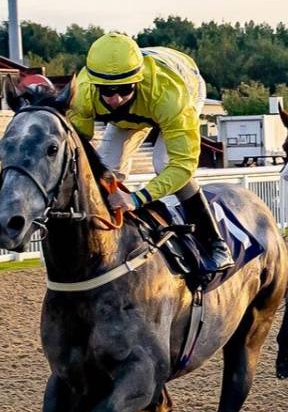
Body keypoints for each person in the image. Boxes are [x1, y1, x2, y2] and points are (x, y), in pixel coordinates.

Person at [68, 32, 232, 273]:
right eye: (107, 91)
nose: (116, 99)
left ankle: (215, 243)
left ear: (136, 80)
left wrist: (136, 199)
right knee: (106, 168)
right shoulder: (82, 93)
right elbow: (79, 148)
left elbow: (183, 166)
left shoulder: (169, 97)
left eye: (124, 89)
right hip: (134, 114)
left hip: (185, 84)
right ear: (94, 85)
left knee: (163, 162)